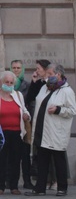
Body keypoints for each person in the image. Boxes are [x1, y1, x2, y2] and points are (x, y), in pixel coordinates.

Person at [23, 64, 76, 197]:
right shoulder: (45, 88)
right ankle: (40, 188)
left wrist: (58, 110)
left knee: (59, 160)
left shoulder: (67, 91)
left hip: (56, 131)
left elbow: (72, 110)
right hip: (42, 129)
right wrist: (35, 82)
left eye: (49, 74)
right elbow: (33, 98)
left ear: (58, 75)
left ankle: (62, 187)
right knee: (42, 160)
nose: (47, 77)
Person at [0, 71, 31, 195]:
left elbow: (25, 110)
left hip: (17, 133)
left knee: (15, 160)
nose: (9, 84)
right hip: (1, 134)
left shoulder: (18, 95)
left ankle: (14, 186)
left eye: (11, 82)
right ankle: (1, 186)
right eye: (6, 82)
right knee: (1, 160)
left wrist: (26, 115)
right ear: (1, 82)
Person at [10, 60, 32, 190]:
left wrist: (29, 117)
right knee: (10, 155)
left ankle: (27, 180)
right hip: (10, 124)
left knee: (25, 154)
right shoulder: (6, 86)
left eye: (18, 68)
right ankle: (9, 181)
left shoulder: (27, 85)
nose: (16, 70)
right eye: (13, 68)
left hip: (24, 124)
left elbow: (31, 102)